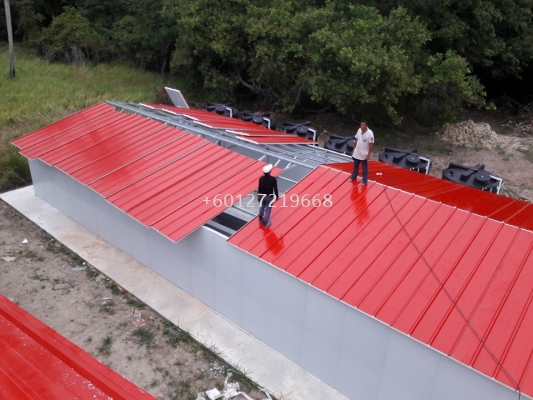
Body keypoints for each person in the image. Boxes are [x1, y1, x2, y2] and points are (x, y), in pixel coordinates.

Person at [349, 121, 374, 186]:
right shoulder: (359, 130)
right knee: (355, 165)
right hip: (357, 151)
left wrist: (368, 154)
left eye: (363, 125)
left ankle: (364, 181)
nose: (362, 127)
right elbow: (356, 139)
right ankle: (353, 177)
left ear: (366, 126)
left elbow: (371, 144)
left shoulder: (370, 133)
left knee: (364, 168)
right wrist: (354, 148)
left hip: (364, 153)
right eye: (361, 125)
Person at [257, 164, 279, 228]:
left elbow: (259, 188)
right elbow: (275, 189)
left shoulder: (261, 178)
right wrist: (277, 197)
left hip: (261, 195)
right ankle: (266, 223)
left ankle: (260, 218)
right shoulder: (273, 179)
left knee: (262, 207)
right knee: (268, 210)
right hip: (269, 197)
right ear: (270, 171)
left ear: (263, 172)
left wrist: (259, 196)